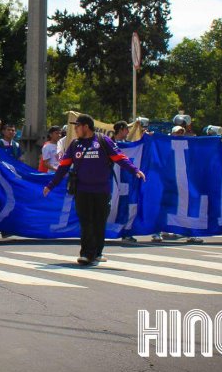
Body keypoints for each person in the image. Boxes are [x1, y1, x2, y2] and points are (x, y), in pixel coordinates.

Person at [43, 114, 146, 266]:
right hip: (82, 190)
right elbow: (63, 166)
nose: (75, 129)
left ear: (86, 126)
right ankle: (86, 253)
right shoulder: (74, 144)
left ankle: (97, 252)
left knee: (99, 222)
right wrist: (51, 185)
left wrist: (134, 170)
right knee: (86, 222)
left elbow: (119, 157)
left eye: (77, 126)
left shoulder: (103, 141)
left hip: (102, 190)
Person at [112, 121, 137, 243]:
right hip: (112, 181)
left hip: (125, 181)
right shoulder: (110, 144)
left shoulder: (128, 145)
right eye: (127, 129)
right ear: (121, 129)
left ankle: (125, 232)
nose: (128, 132)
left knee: (125, 207)